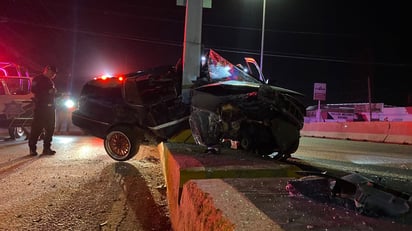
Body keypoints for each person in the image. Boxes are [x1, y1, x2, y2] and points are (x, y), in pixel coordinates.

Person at [28, 65, 58, 156]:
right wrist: (47, 92)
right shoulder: (37, 79)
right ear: (47, 70)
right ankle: (32, 149)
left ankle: (47, 148)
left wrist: (56, 94)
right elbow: (34, 91)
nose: (53, 75)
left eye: (54, 74)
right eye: (52, 73)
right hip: (41, 108)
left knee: (50, 129)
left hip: (50, 108)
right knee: (37, 129)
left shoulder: (50, 81)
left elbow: (51, 94)